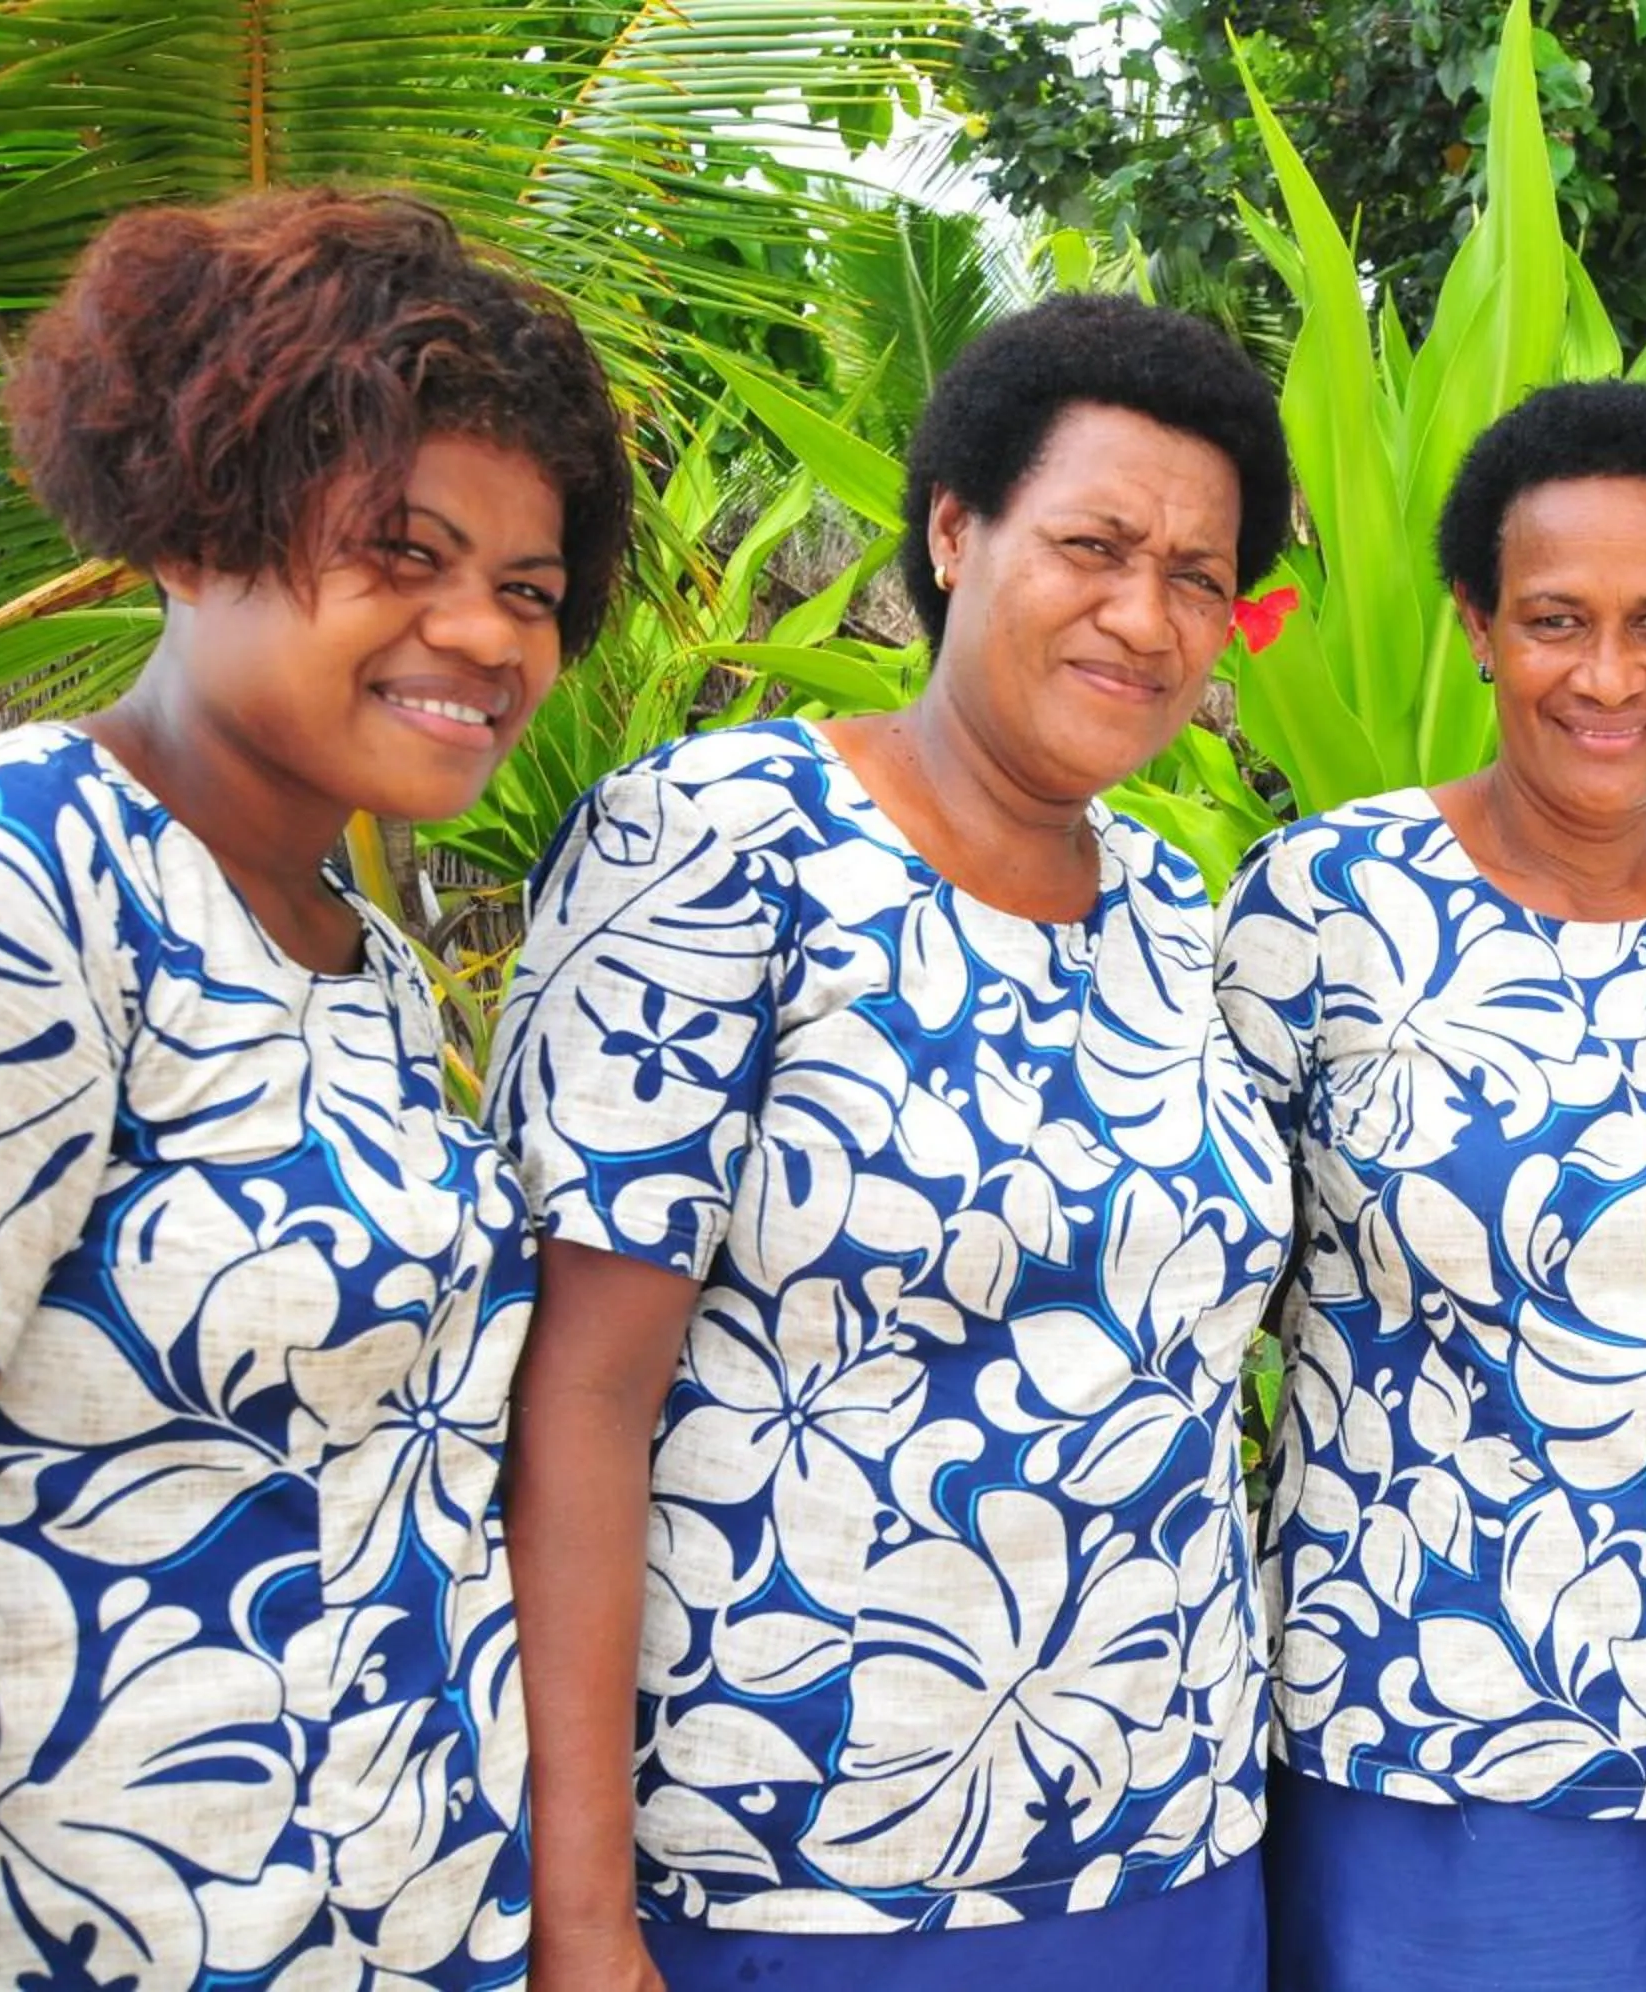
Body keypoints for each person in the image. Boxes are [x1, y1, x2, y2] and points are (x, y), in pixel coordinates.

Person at [0, 189, 631, 1989]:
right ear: (198, 531)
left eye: (527, 588)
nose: (484, 636)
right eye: (400, 552)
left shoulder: (361, 963)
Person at [488, 293, 1296, 1991]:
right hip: (803, 1876)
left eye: (1199, 575)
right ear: (952, 528)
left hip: (1170, 1843)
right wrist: (576, 1910)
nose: (1145, 616)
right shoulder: (713, 845)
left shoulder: (1169, 904)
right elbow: (575, 1392)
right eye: (1093, 542)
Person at [1216, 380, 1646, 1992]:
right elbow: (1214, 1269)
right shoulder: (1328, 900)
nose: (1612, 676)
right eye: (1556, 618)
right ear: (1479, 628)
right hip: (1417, 1713)